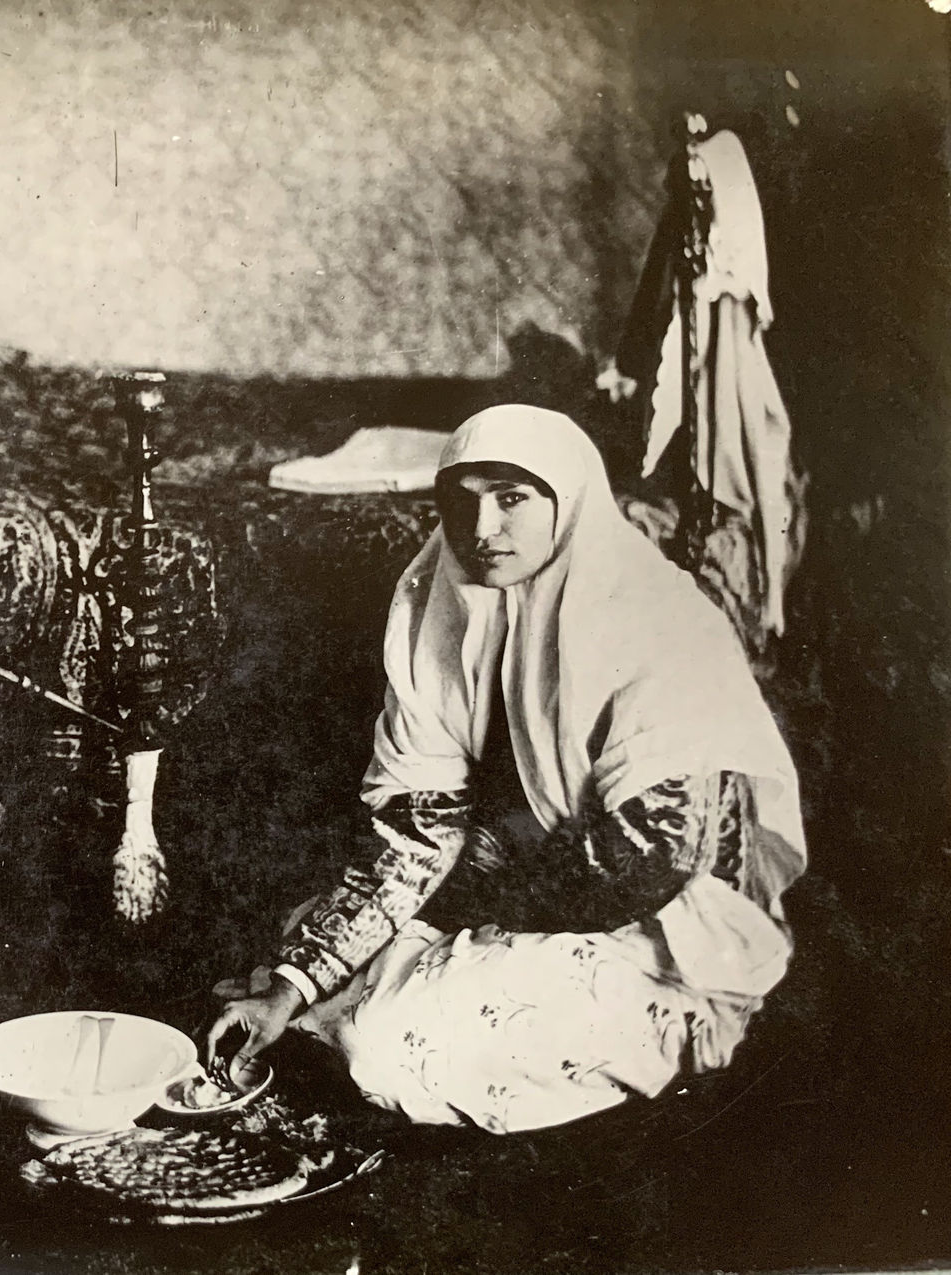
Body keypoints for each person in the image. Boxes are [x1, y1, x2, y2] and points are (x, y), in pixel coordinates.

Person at [206, 405, 806, 1134]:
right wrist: (296, 988)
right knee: (297, 957)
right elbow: (413, 840)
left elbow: (651, 865)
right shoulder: (439, 605)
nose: (482, 527)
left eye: (512, 498)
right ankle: (369, 995)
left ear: (571, 498)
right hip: (506, 893)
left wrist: (466, 918)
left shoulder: (657, 620)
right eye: (461, 502)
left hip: (656, 933)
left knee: (384, 1046)